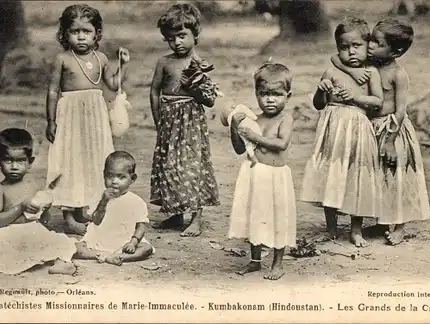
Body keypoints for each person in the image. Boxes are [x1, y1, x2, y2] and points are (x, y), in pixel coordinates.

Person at [331, 18, 430, 245]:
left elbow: (401, 110)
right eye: (371, 40)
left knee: (396, 177)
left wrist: (389, 141)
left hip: (392, 129)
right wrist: (351, 72)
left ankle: (399, 227)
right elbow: (335, 57)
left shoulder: (399, 75)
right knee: (370, 174)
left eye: (377, 42)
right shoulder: (369, 64)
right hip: (369, 127)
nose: (370, 45)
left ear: (396, 51)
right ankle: (379, 223)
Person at [46, 4, 130, 236]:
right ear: (65, 34)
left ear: (97, 34)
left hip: (95, 116)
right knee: (70, 160)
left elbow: (112, 84)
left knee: (93, 158)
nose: (81, 37)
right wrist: (51, 121)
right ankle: (69, 216)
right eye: (75, 32)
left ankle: (86, 207)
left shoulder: (101, 58)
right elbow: (53, 91)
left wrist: (122, 65)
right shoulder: (62, 59)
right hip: (70, 115)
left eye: (87, 32)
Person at [300, 17, 384, 248]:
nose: (351, 52)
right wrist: (321, 89)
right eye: (344, 48)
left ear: (367, 45)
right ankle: (331, 227)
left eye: (356, 46)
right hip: (332, 129)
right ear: (338, 49)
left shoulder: (371, 72)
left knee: (356, 177)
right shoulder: (330, 72)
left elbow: (378, 101)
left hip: (357, 128)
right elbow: (319, 104)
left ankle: (356, 230)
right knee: (331, 174)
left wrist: (356, 98)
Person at [149, 3, 220, 237]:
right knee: (169, 165)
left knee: (191, 166)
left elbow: (209, 100)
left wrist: (195, 86)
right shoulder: (164, 62)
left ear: (195, 35)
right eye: (170, 39)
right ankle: (176, 212)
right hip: (168, 119)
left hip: (190, 122)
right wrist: (158, 118)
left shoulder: (198, 65)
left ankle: (196, 217)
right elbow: (155, 90)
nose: (177, 42)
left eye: (181, 36)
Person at [0, 129, 77, 275]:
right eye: (8, 160)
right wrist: (20, 207)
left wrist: (44, 210)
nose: (14, 166)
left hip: (31, 231)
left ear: (30, 162)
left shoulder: (32, 185)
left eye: (20, 161)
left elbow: (43, 221)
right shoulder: (0, 189)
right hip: (8, 234)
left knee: (60, 242)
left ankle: (61, 264)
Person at [228, 63, 296, 280]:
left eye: (276, 94)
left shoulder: (285, 119)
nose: (270, 99)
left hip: (275, 176)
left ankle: (278, 262)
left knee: (277, 219)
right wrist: (235, 128)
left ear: (288, 95)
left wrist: (255, 137)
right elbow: (240, 149)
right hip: (255, 175)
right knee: (255, 217)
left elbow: (282, 143)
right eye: (264, 94)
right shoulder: (254, 120)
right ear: (256, 94)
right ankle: (255, 260)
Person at [74, 151, 154, 266]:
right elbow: (96, 221)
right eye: (110, 176)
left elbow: (141, 226)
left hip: (125, 240)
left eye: (121, 177)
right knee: (77, 248)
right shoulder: (99, 197)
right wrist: (103, 202)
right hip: (100, 238)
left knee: (146, 248)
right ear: (104, 175)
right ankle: (103, 254)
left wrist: (133, 242)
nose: (114, 181)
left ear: (132, 179)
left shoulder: (136, 202)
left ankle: (120, 256)